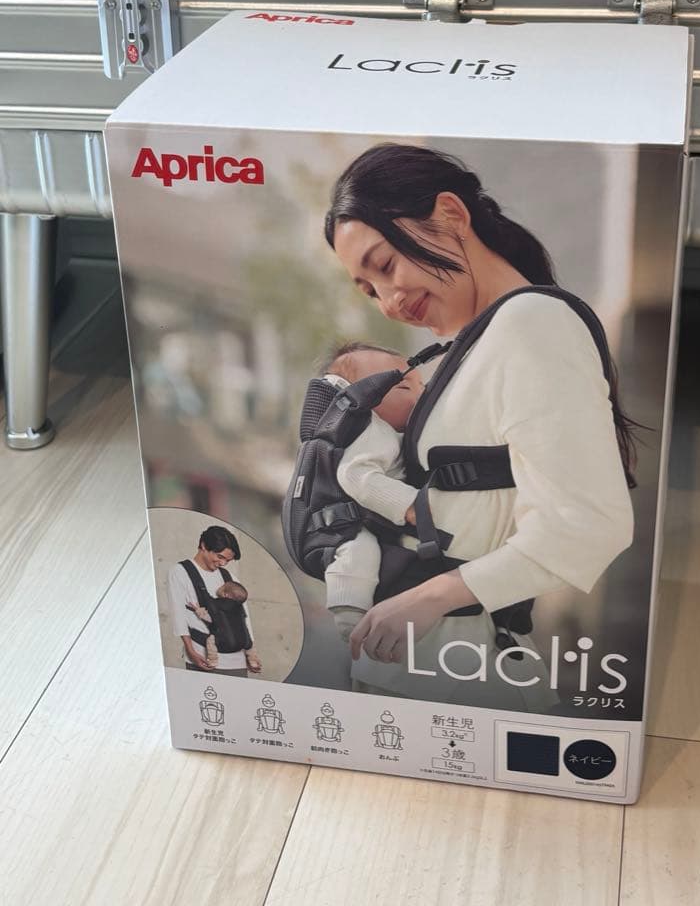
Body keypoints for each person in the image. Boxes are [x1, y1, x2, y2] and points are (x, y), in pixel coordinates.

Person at [323, 142, 635, 707]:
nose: (388, 302)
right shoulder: (476, 345)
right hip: (429, 661)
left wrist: (432, 597)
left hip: (462, 665)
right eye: (369, 290)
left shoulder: (531, 324)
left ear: (450, 214)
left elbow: (589, 523)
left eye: (385, 266)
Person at [319, 342, 425, 643]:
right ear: (365, 399)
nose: (421, 395)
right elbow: (355, 475)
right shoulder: (374, 430)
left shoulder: (394, 434)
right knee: (358, 552)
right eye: (404, 387)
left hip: (378, 519)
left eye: (423, 385)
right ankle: (350, 617)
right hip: (353, 521)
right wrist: (411, 506)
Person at [167, 524, 262, 677]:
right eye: (220, 557)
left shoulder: (229, 578)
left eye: (227, 560)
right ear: (204, 546)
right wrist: (190, 651)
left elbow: (244, 619)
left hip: (237, 660)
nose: (223, 564)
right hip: (205, 656)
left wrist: (250, 656)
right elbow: (178, 614)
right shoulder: (180, 572)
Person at [185, 579, 262, 672]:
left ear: (226, 595)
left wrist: (198, 610)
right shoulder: (240, 608)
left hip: (224, 644)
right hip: (244, 642)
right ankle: (253, 660)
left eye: (222, 587)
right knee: (250, 647)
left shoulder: (217, 604)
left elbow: (209, 618)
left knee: (210, 640)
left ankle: (213, 660)